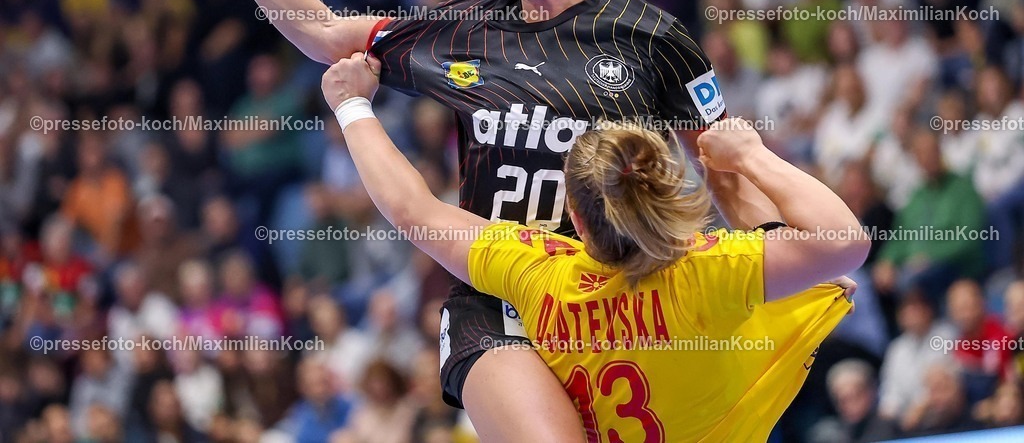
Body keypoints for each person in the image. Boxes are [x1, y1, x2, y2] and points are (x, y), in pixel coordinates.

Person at [197, 0, 785, 441]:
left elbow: (727, 165)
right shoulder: (463, 30)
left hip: (622, 296)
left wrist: (782, 261)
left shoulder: (652, 37)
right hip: (499, 298)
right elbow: (320, 32)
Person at [318, 52, 869, 441]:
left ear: (576, 220)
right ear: (669, 189)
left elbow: (416, 212)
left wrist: (352, 107)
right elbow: (844, 240)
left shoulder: (538, 270)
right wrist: (750, 153)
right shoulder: (713, 269)